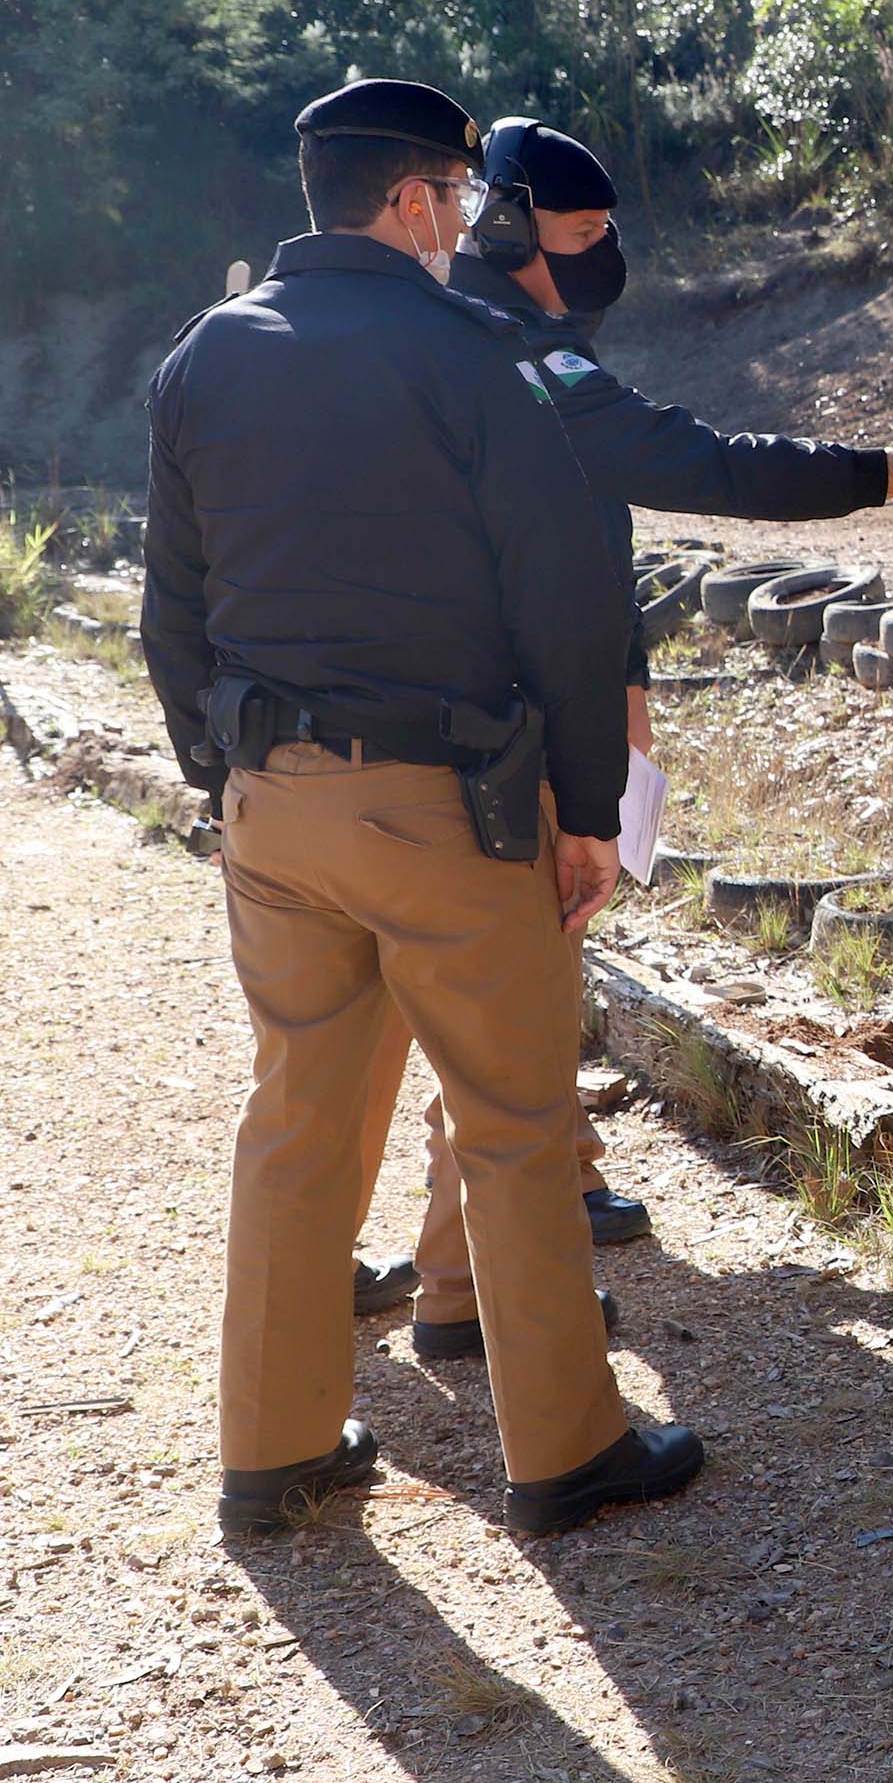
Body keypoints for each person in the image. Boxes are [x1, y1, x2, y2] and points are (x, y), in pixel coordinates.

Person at [349, 116, 893, 1358]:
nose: (606, 252)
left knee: (487, 989)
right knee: (494, 990)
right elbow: (698, 463)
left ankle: (512, 1213)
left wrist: (623, 699)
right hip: (495, 730)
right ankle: (472, 1276)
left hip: (486, 715)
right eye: (585, 231)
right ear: (504, 224)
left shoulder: (475, 338)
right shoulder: (505, 354)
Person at [143, 77, 702, 1538]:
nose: (460, 224)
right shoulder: (470, 353)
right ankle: (568, 1453)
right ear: (409, 202)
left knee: (297, 1127)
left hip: (269, 804)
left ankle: (272, 1455)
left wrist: (229, 785)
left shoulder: (203, 355)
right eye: (451, 200)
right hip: (443, 805)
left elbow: (173, 614)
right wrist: (589, 810)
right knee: (513, 1118)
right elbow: (566, 597)